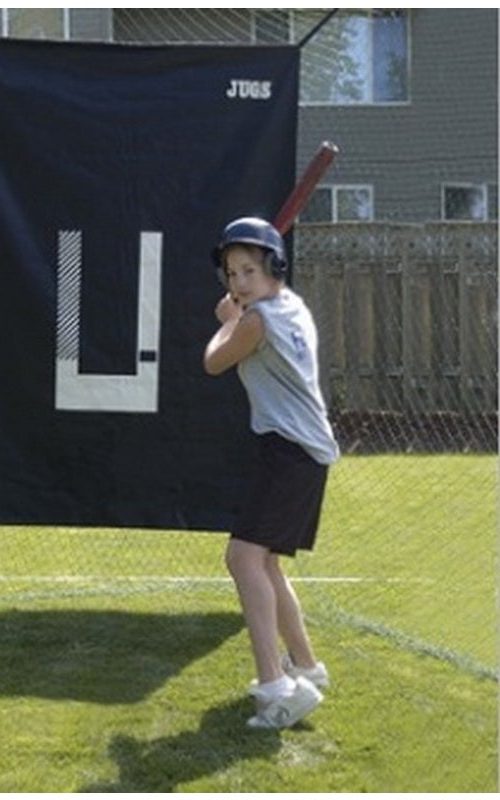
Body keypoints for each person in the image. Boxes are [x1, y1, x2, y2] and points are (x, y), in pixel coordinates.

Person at [203, 216, 339, 730]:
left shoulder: (257, 321)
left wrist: (226, 321)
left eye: (249, 272)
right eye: (232, 273)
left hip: (288, 450)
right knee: (266, 564)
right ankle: (305, 665)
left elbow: (213, 362)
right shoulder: (291, 305)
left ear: (274, 269)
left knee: (242, 559)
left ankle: (277, 687)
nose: (239, 283)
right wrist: (240, 313)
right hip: (304, 451)